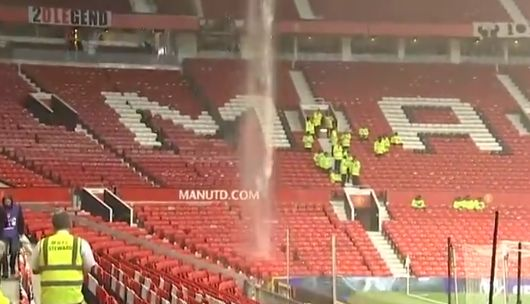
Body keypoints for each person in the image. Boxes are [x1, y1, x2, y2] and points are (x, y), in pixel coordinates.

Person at [31, 212, 98, 304]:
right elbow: (89, 268)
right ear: (70, 225)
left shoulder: (42, 245)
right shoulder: (80, 244)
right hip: (74, 301)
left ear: (53, 226)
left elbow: (34, 270)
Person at [1, 195, 24, 279]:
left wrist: (21, 232)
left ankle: (12, 268)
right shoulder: (1, 209)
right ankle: (5, 272)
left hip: (14, 234)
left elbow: (21, 220)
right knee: (3, 254)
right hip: (3, 235)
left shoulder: (17, 208)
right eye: (6, 200)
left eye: (9, 200)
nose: (7, 202)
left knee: (14, 252)